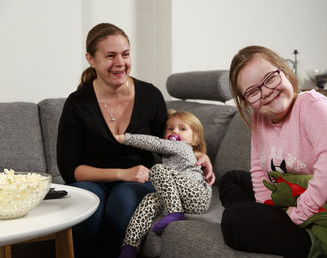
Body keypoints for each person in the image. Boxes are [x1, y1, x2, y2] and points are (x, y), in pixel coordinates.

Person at [57, 23, 214, 258]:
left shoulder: (150, 95)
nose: (120, 63)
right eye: (110, 55)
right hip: (93, 178)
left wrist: (198, 155)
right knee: (87, 207)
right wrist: (122, 173)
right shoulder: (77, 103)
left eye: (125, 54)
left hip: (138, 181)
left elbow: (167, 143)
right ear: (91, 59)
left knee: (122, 203)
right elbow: (70, 169)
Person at [219, 45, 327, 258]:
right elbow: (259, 171)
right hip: (292, 197)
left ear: (284, 71)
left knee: (233, 221)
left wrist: (296, 215)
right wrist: (266, 210)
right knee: (231, 179)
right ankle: (269, 226)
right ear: (245, 101)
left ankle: (315, 246)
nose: (266, 92)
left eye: (270, 78)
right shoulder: (261, 118)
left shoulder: (313, 106)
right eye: (252, 92)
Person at [115, 110, 212, 258]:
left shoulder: (183, 147)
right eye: (170, 128)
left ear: (196, 139)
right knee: (149, 199)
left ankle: (174, 213)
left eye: (182, 128)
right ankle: (129, 247)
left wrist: (124, 138)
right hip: (181, 198)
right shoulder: (169, 156)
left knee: (157, 169)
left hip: (198, 196)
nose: (175, 131)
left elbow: (155, 143)